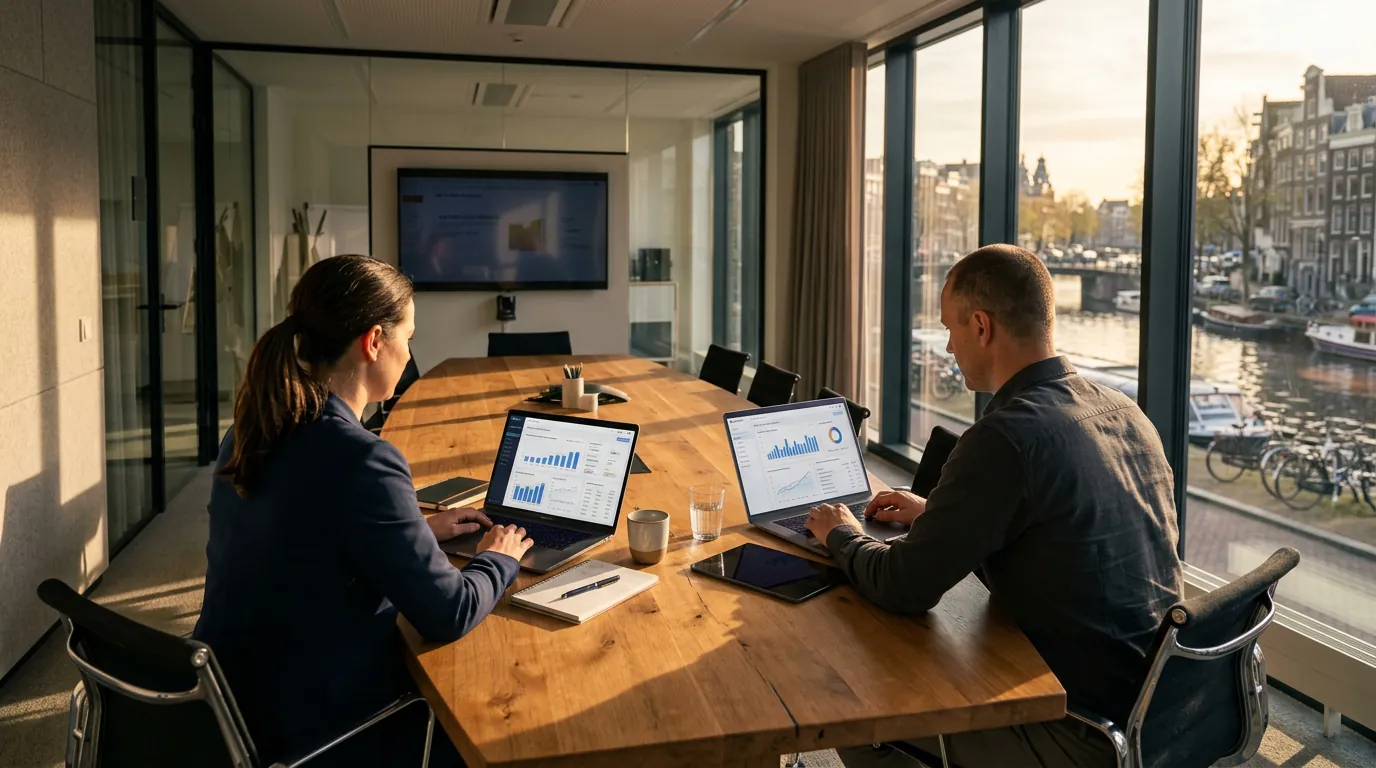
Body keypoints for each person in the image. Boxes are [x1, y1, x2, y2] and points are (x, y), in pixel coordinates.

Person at [805, 244, 1183, 768]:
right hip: (1161, 703)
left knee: (848, 694)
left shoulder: (1005, 438)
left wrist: (840, 531)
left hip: (1075, 728)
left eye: (950, 330)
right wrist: (939, 515)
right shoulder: (1123, 409)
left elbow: (902, 586)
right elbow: (1060, 535)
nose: (948, 347)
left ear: (981, 327)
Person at [194, 255, 534, 767]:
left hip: (224, 705)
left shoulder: (250, 431)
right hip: (321, 730)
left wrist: (413, 529)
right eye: (408, 337)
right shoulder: (364, 460)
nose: (409, 352)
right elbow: (450, 612)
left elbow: (306, 532)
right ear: (374, 342)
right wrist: (499, 557)